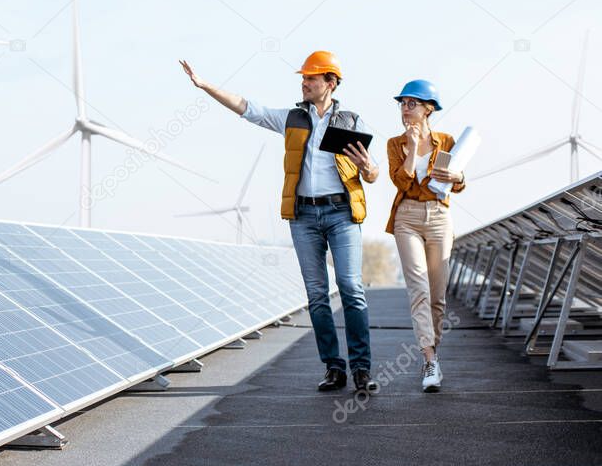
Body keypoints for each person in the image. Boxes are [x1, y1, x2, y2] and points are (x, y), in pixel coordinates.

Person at [180, 51, 380, 392]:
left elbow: (373, 173)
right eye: (303, 78)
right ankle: (334, 368)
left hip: (341, 214)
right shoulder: (292, 119)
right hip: (303, 216)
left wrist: (368, 168)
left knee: (351, 289)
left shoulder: (351, 121)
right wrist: (204, 86)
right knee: (317, 294)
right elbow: (248, 108)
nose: (304, 83)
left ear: (330, 83)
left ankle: (361, 369)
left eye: (310, 78)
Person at [385, 80, 466, 392]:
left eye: (412, 103)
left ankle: (435, 352)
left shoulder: (446, 140)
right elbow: (402, 183)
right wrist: (413, 148)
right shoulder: (395, 144)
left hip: (439, 217)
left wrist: (458, 176)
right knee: (417, 287)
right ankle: (429, 359)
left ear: (429, 108)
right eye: (403, 103)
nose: (405, 109)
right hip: (406, 216)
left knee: (437, 296)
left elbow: (455, 184)